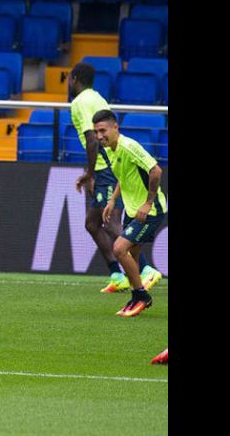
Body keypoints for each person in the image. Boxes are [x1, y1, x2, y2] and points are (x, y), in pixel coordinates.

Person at [69, 63, 162, 293]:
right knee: (92, 223)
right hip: (106, 166)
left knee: (110, 222)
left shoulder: (80, 102)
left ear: (74, 79)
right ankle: (117, 274)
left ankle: (145, 269)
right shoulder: (97, 98)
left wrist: (91, 173)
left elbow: (92, 139)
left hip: (105, 168)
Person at [94, 109, 167, 317]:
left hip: (150, 210)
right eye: (96, 132)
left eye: (103, 130)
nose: (99, 136)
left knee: (119, 249)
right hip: (132, 210)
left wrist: (148, 203)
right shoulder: (110, 149)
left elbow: (156, 171)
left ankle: (141, 296)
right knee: (131, 256)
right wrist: (112, 200)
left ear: (115, 127)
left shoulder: (128, 146)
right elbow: (123, 176)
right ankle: (137, 297)